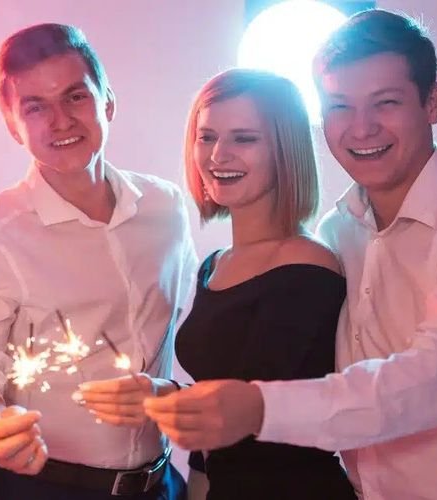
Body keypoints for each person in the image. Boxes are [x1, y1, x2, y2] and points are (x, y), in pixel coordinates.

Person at [144, 9, 437, 500]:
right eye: (339, 107)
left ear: (432, 103)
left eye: (386, 103)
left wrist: (258, 407)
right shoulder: (338, 231)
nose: (362, 128)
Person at [0, 23, 196, 499]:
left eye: (75, 97)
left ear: (108, 101)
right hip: (41, 487)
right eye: (35, 107)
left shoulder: (167, 208)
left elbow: (197, 333)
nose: (60, 121)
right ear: (13, 124)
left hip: (158, 484)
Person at [103, 68, 356, 499]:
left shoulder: (308, 265)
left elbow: (259, 412)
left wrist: (173, 403)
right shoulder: (214, 265)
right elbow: (222, 395)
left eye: (244, 138)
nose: (219, 155)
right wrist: (160, 392)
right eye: (207, 137)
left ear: (284, 150)